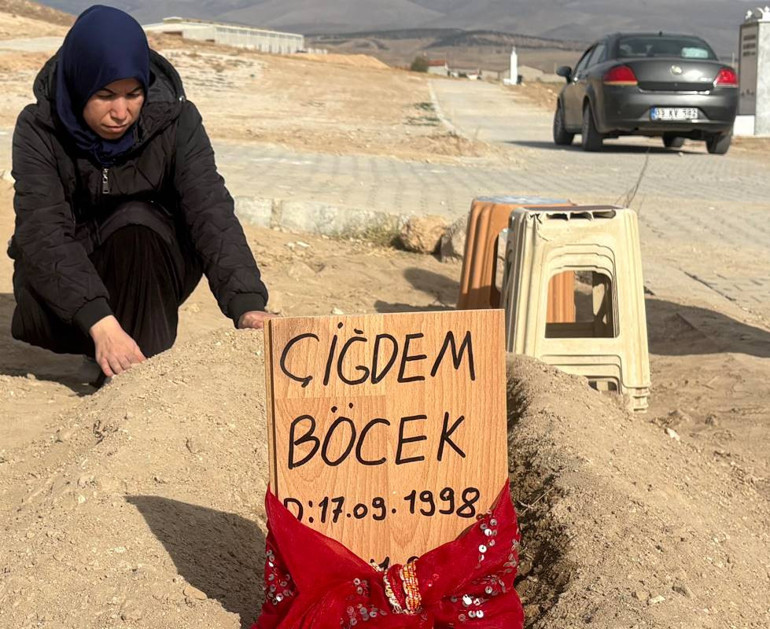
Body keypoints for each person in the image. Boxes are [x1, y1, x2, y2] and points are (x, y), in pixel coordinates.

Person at [8, 5, 272, 382]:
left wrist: (246, 303)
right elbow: (43, 231)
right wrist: (99, 322)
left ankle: (136, 380)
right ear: (80, 85)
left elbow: (210, 210)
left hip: (153, 272)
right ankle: (108, 344)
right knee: (62, 250)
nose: (121, 112)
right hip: (70, 285)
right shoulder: (39, 130)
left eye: (133, 94)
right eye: (105, 95)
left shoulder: (177, 122)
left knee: (136, 222)